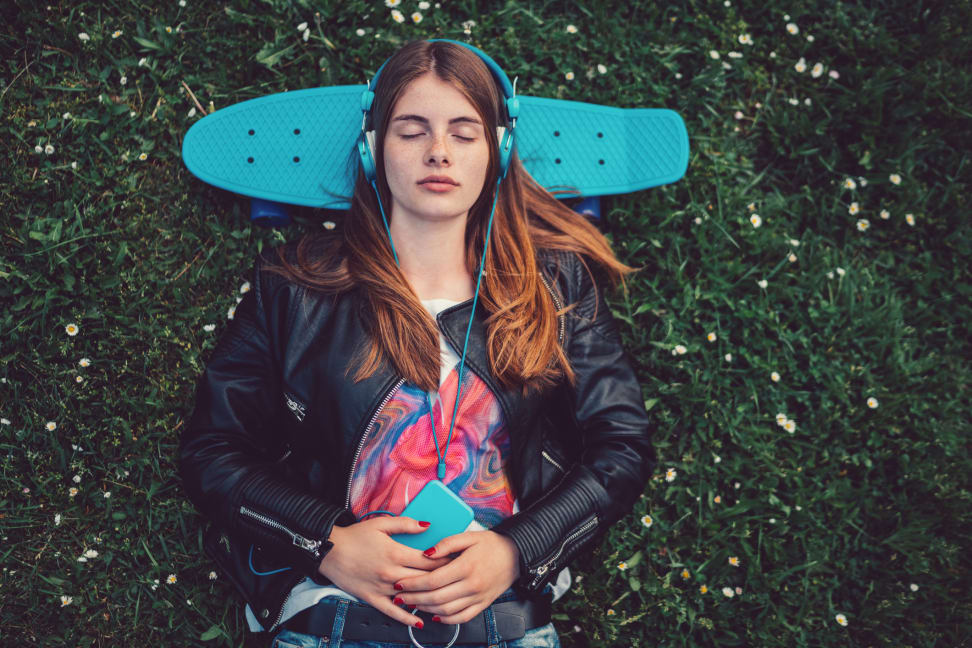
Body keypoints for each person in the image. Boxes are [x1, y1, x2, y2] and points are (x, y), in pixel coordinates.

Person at [179, 39, 656, 648]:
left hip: (506, 625)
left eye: (464, 132)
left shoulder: (554, 284)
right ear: (372, 150)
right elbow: (212, 450)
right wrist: (325, 542)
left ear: (499, 151)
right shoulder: (291, 284)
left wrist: (516, 550)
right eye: (411, 131)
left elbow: (622, 446)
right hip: (331, 619)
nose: (438, 152)